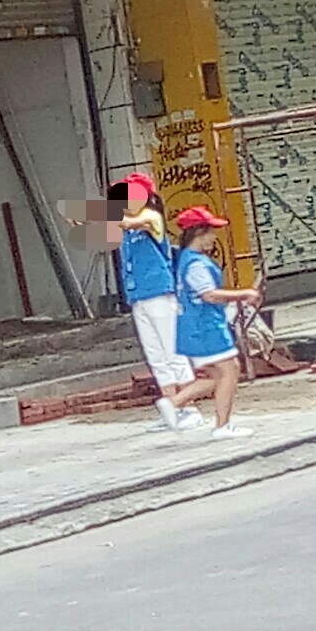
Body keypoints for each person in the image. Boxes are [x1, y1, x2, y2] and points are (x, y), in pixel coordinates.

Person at [155, 207, 260, 440]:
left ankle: (174, 402)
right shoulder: (197, 264)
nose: (214, 237)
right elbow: (209, 295)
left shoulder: (186, 260)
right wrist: (244, 294)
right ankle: (221, 425)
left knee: (217, 376)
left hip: (195, 327)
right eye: (211, 232)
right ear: (199, 233)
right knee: (230, 370)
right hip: (206, 326)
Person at [110, 173, 203, 432]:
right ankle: (172, 407)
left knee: (173, 352)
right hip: (138, 296)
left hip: (160, 293)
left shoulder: (151, 218)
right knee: (156, 356)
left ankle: (190, 408)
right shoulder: (126, 229)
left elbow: (128, 222)